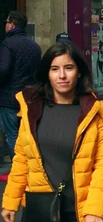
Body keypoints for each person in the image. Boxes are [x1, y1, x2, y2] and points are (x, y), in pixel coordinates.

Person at [1, 42, 103, 222]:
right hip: (39, 208)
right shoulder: (32, 109)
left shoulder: (96, 113)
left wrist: (94, 209)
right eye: (54, 69)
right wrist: (10, 201)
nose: (62, 75)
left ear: (79, 72)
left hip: (78, 210)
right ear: (47, 73)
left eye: (68, 68)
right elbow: (22, 158)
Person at [0, 11, 42, 181]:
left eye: (6, 22)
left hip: (9, 97)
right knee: (27, 134)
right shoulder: (35, 46)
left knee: (12, 136)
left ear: (12, 24)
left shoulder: (8, 44)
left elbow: (3, 69)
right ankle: (31, 168)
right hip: (28, 97)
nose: (5, 25)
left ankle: (17, 172)